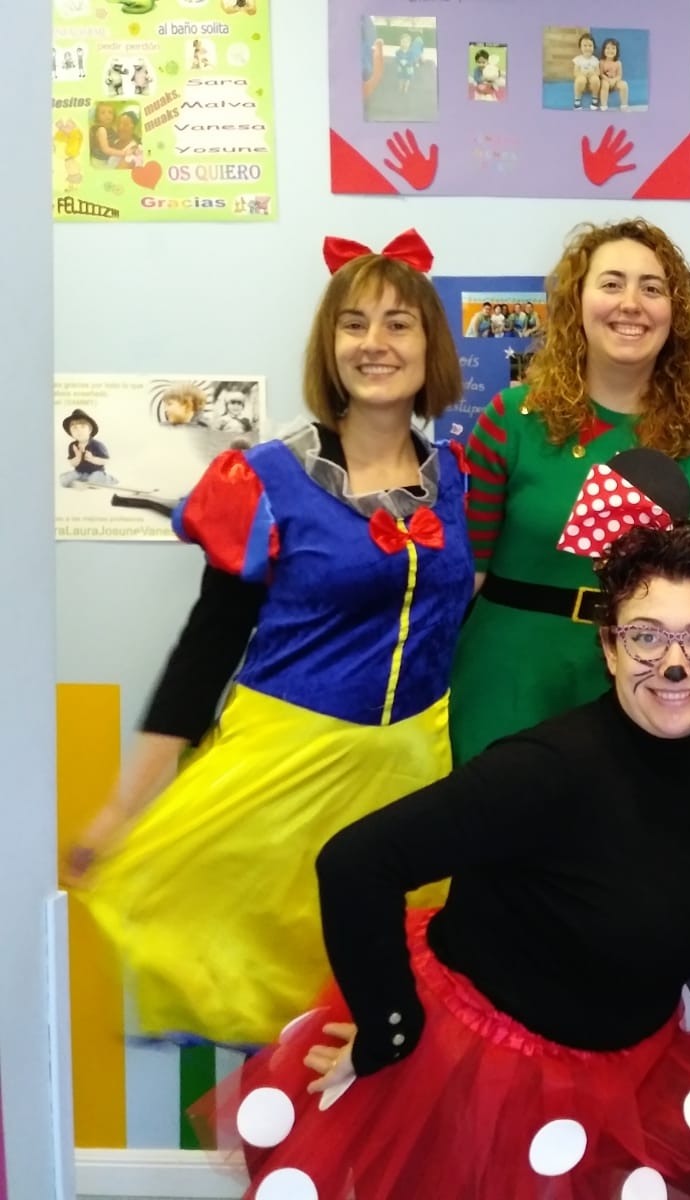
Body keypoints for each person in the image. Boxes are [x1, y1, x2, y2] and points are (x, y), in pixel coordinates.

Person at [196, 471, 690, 1200]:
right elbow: (357, 862)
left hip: (635, 1077)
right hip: (482, 1084)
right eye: (646, 636)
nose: (674, 664)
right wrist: (388, 1026)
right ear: (610, 648)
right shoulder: (546, 769)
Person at [64, 230, 474, 1048]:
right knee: (279, 1004)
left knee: (382, 1016)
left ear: (431, 345)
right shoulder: (263, 479)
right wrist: (122, 806)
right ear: (329, 346)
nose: (375, 343)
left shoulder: (458, 479)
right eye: (353, 324)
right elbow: (205, 649)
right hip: (285, 776)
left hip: (410, 778)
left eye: (398, 324)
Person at [451, 218, 690, 764]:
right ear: (576, 303)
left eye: (651, 288)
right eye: (611, 284)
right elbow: (466, 577)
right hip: (509, 676)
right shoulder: (511, 420)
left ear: (675, 313)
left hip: (648, 683)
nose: (631, 303)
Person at [59, 408, 117, 487]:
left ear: (90, 430)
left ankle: (108, 479)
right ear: (70, 432)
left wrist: (92, 459)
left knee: (94, 480)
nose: (79, 430)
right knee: (63, 479)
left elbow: (106, 461)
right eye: (74, 428)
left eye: (82, 427)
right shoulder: (72, 446)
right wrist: (77, 458)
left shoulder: (96, 445)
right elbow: (71, 463)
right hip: (80, 472)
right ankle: (83, 482)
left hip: (96, 472)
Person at [599, 36, 630, 110]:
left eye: (613, 48)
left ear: (617, 51)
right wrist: (608, 80)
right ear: (603, 50)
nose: (610, 50)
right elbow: (601, 74)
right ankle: (604, 105)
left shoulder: (618, 63)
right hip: (605, 81)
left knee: (624, 84)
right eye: (608, 48)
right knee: (605, 84)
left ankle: (624, 105)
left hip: (615, 82)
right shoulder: (602, 62)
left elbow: (619, 75)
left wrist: (614, 80)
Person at [572, 31, 601, 109]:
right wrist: (583, 74)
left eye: (590, 45)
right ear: (580, 47)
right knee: (580, 79)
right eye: (585, 45)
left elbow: (598, 72)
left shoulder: (595, 60)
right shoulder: (578, 59)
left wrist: (593, 73)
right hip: (582, 86)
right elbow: (575, 72)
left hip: (592, 86)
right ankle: (577, 99)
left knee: (596, 79)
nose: (587, 48)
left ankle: (595, 98)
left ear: (593, 47)